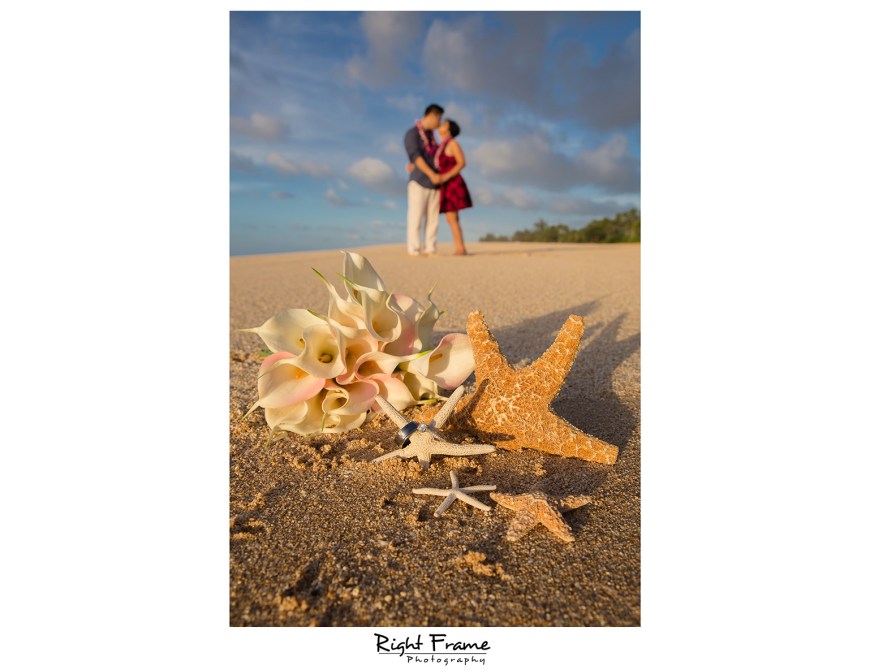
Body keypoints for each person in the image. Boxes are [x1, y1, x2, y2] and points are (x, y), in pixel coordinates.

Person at [403, 104, 444, 256]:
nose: (439, 123)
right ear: (431, 116)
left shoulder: (433, 138)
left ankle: (430, 247)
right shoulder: (413, 133)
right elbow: (415, 156)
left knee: (433, 219)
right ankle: (414, 249)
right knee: (416, 216)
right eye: (438, 119)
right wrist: (431, 174)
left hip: (435, 185)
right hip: (419, 181)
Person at [432, 118, 472, 255]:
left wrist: (445, 177)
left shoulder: (453, 143)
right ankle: (460, 247)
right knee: (450, 217)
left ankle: (460, 248)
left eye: (444, 124)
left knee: (452, 217)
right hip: (445, 184)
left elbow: (461, 162)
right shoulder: (440, 146)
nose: (440, 125)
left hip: (452, 183)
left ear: (449, 129)